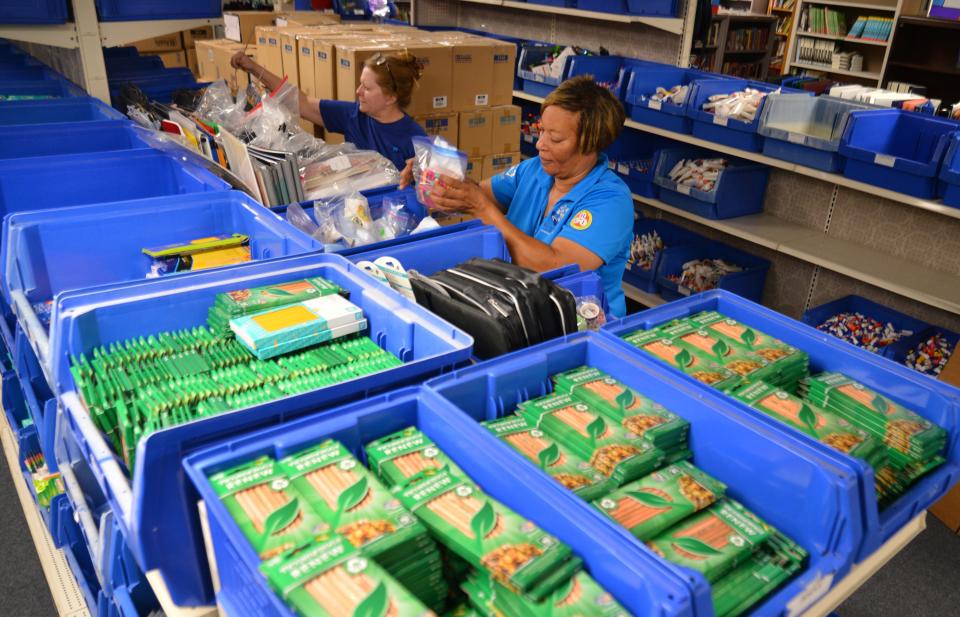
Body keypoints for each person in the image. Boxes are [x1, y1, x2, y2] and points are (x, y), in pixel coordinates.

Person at [410, 75, 634, 318]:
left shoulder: (611, 201)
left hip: (580, 322)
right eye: (542, 131)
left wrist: (481, 208)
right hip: (518, 305)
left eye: (555, 138)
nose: (540, 144)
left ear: (591, 143)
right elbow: (478, 193)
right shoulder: (536, 170)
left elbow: (553, 268)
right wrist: (436, 172)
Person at [231, 49, 426, 170]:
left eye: (367, 88)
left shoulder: (416, 140)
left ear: (391, 97)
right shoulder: (353, 115)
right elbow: (301, 102)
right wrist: (253, 67)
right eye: (360, 84)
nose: (358, 92)